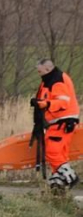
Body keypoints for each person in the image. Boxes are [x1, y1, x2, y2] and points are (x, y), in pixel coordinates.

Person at [32, 59, 80, 190]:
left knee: (52, 152)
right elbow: (47, 97)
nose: (39, 74)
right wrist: (38, 102)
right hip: (59, 121)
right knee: (60, 155)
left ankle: (70, 177)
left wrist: (46, 104)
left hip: (63, 121)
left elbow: (62, 102)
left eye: (40, 71)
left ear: (47, 70)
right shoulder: (50, 80)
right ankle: (57, 184)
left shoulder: (57, 80)